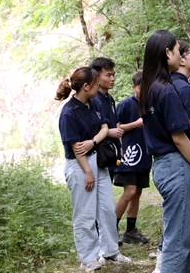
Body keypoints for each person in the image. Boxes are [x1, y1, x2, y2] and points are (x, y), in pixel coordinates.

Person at [139, 30, 190, 273]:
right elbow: (179, 137)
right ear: (168, 53)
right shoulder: (166, 90)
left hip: (164, 165)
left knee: (185, 237)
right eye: (178, 50)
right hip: (176, 165)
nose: (182, 54)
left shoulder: (151, 88)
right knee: (178, 241)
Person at [56, 67, 131, 272]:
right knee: (85, 214)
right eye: (96, 84)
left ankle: (110, 251)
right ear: (86, 86)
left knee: (107, 208)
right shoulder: (69, 113)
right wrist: (88, 171)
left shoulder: (95, 103)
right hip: (80, 166)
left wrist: (92, 141)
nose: (99, 87)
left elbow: (105, 128)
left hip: (98, 161)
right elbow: (76, 147)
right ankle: (88, 258)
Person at [113, 71, 151, 244]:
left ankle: (130, 230)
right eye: (141, 87)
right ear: (133, 87)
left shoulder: (150, 104)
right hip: (128, 154)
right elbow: (116, 127)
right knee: (129, 191)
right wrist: (135, 124)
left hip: (145, 154)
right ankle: (111, 229)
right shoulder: (126, 104)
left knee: (137, 192)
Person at [89, 57, 124, 181]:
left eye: (113, 75)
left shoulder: (110, 99)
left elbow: (116, 122)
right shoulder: (92, 100)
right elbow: (89, 129)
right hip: (98, 155)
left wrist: (120, 145)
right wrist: (108, 132)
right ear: (96, 77)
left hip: (111, 153)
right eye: (108, 75)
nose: (112, 79)